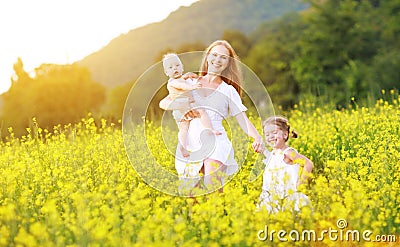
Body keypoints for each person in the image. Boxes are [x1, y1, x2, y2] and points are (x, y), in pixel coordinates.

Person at [172, 40, 264, 195]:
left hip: (216, 140)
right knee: (190, 196)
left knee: (212, 188)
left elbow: (242, 119)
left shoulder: (228, 91)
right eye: (214, 55)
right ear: (207, 57)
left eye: (223, 57)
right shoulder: (190, 82)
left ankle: (219, 216)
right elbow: (173, 100)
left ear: (228, 63)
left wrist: (257, 138)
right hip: (191, 140)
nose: (217, 60)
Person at [159, 53, 221, 158]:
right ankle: (210, 129)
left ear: (182, 67)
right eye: (170, 67)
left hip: (181, 110)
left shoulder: (181, 77)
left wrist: (190, 75)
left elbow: (183, 79)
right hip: (183, 107)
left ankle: (182, 147)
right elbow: (181, 85)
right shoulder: (172, 83)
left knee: (184, 129)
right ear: (166, 72)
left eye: (177, 65)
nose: (175, 68)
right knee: (202, 112)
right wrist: (192, 87)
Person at [258, 116, 313, 213]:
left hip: (289, 196)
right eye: (267, 134)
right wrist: (262, 150)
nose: (270, 136)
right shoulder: (272, 154)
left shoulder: (288, 152)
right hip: (271, 197)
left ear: (285, 135)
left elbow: (308, 163)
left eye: (274, 133)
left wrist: (301, 184)